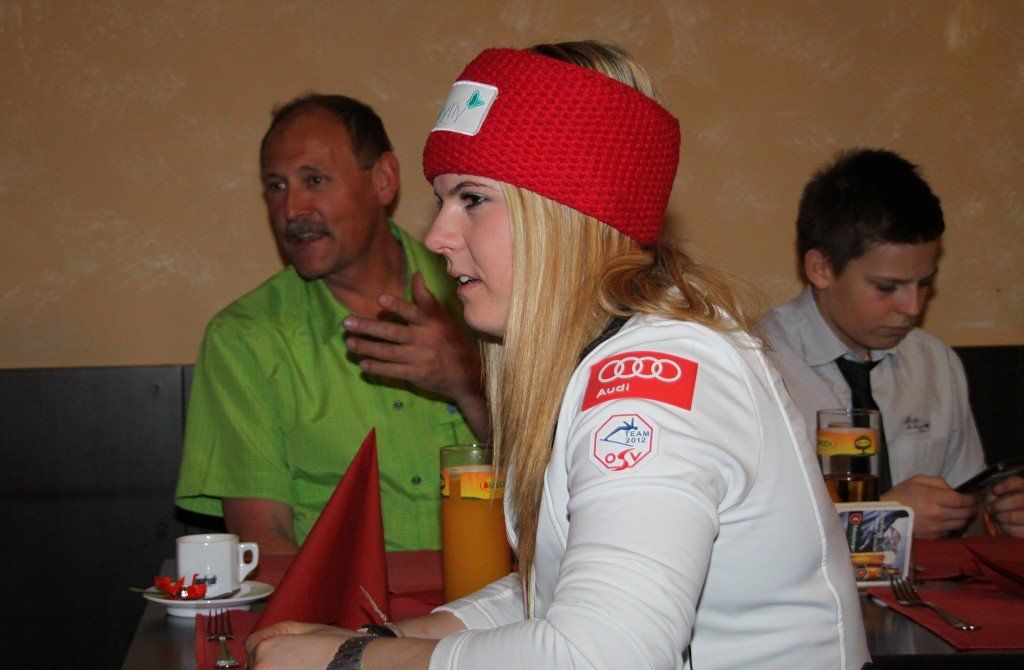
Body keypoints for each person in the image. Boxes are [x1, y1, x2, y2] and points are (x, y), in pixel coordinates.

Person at [246, 42, 869, 669]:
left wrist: (351, 661)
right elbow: (555, 587)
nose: (436, 236)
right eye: (442, 200)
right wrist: (387, 639)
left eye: (472, 198)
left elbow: (602, 656)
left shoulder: (650, 387)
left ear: (565, 214)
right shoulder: (605, 353)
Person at [175, 94, 488, 555]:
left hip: (501, 594)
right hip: (337, 602)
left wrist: (467, 383)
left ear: (383, 180)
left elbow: (554, 478)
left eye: (314, 180)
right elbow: (264, 542)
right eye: (276, 186)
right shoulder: (246, 338)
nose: (292, 210)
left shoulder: (483, 298)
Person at [761, 148, 1024, 539]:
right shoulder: (754, 365)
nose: (912, 307)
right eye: (887, 287)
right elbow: (750, 537)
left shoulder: (934, 362)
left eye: (924, 283)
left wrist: (992, 517)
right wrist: (885, 517)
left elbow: (963, 516)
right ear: (821, 268)